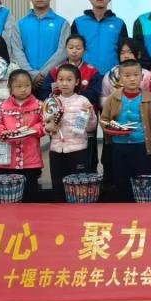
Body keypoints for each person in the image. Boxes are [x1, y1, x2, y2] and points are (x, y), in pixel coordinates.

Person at [101, 59, 151, 202]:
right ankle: (124, 207)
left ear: (142, 77)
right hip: (118, 146)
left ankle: (143, 207)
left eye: (136, 75)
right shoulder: (113, 98)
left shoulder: (150, 99)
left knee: (143, 180)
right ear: (120, 78)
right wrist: (111, 128)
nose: (132, 79)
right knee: (121, 180)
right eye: (127, 75)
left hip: (142, 146)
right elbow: (104, 120)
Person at [0, 70, 46, 202]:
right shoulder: (2, 106)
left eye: (27, 85)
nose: (23, 89)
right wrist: (3, 132)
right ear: (10, 88)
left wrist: (33, 129)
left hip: (30, 160)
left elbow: (45, 124)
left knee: (30, 193)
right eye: (18, 86)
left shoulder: (39, 105)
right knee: (9, 195)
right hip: (7, 160)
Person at [46, 64, 98, 202]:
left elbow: (90, 128)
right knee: (58, 186)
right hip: (56, 150)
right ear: (56, 81)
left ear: (76, 82)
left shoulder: (83, 101)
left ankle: (78, 213)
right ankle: (59, 211)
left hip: (78, 150)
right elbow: (45, 125)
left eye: (69, 79)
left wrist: (90, 114)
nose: (64, 83)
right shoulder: (51, 102)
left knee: (78, 188)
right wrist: (49, 126)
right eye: (61, 79)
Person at [19, 0, 69, 90]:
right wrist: (31, 73)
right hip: (26, 81)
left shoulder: (62, 23)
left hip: (54, 79)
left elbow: (63, 51)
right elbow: (17, 51)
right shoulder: (20, 23)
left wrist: (43, 73)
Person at [71, 0, 127, 75]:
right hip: (83, 74)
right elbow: (71, 50)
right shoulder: (78, 22)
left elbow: (124, 51)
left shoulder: (119, 23)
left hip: (112, 75)